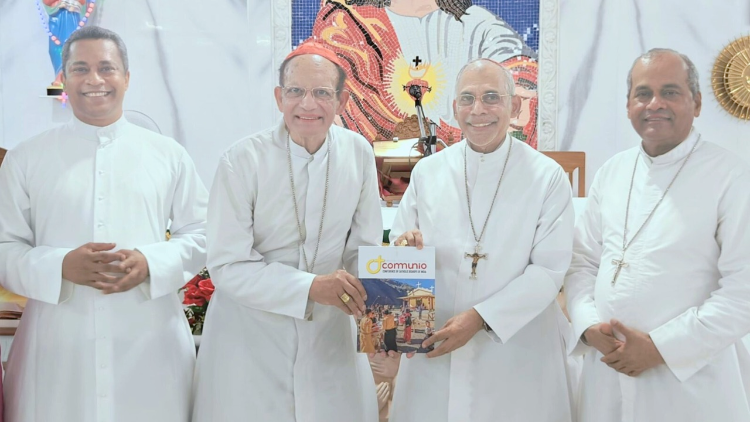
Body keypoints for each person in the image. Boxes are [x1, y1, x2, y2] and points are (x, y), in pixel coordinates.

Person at [0, 26, 207, 422]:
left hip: (150, 346)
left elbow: (202, 232)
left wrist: (150, 262)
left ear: (127, 78)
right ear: (63, 80)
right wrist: (61, 266)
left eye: (106, 68)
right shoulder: (26, 158)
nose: (94, 80)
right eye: (80, 68)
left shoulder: (168, 155)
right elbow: (5, 247)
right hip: (57, 349)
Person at [191, 41, 383, 422]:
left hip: (331, 339)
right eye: (295, 91)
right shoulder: (242, 161)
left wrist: (388, 297)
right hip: (250, 338)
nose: (307, 105)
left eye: (321, 93)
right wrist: (310, 288)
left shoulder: (358, 153)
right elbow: (228, 264)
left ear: (342, 101)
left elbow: (363, 248)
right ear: (279, 98)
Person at [565, 48, 750, 422]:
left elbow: (742, 291)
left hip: (691, 377)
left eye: (670, 92)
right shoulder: (612, 172)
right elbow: (581, 262)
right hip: (608, 371)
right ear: (628, 104)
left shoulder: (731, 175)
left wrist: (660, 348)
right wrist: (587, 326)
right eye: (643, 93)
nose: (654, 104)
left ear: (696, 103)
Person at [388, 58, 575, 421]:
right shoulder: (429, 172)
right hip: (436, 340)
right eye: (467, 99)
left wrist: (481, 318)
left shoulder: (546, 176)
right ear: (454, 107)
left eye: (492, 97)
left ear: (513, 106)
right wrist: (405, 245)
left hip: (517, 346)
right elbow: (401, 243)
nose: (479, 110)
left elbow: (549, 271)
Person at [311, 0, 539, 148]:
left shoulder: (479, 27)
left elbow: (523, 98)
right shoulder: (348, 26)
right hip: (378, 187)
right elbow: (328, 112)